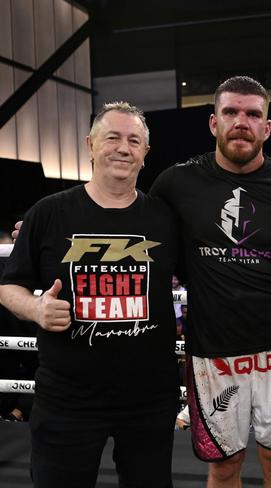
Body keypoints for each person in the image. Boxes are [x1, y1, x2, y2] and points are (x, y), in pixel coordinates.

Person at [149, 76, 271, 488]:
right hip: (213, 349)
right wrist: (59, 229)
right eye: (231, 112)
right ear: (213, 123)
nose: (241, 122)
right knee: (223, 467)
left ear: (267, 128)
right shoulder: (176, 183)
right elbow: (131, 222)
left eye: (252, 114)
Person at [0, 102, 180, 488]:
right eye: (112, 137)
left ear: (145, 154)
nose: (123, 148)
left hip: (148, 398)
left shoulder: (166, 218)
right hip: (68, 399)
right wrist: (35, 308)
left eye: (134, 140)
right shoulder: (48, 213)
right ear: (90, 145)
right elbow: (7, 286)